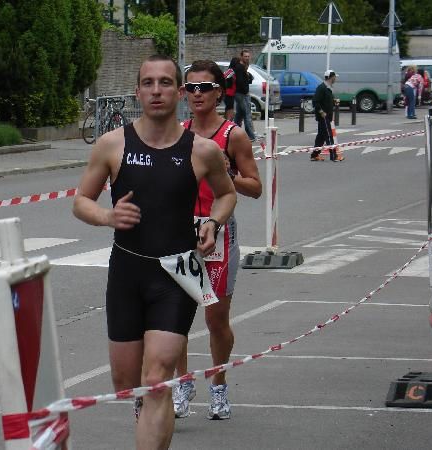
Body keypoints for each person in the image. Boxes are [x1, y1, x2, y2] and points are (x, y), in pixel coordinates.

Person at [72, 54, 237, 450]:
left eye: (165, 82)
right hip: (127, 272)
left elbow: (227, 194)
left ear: (179, 93)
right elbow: (81, 201)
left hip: (177, 273)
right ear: (138, 91)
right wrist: (108, 216)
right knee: (127, 383)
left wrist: (212, 223)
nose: (157, 90)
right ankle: (149, 416)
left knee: (158, 376)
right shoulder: (113, 144)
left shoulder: (202, 150)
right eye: (149, 82)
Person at [172, 60, 262, 420]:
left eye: (204, 88)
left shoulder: (232, 135)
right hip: (178, 232)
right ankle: (182, 384)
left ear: (218, 91)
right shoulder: (176, 132)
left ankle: (219, 384)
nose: (196, 95)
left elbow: (254, 186)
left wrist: (226, 173)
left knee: (216, 319)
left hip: (219, 230)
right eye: (190, 88)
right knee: (174, 318)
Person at [310, 69, 344, 162]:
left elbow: (325, 101)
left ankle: (314, 155)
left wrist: (334, 101)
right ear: (331, 77)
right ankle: (334, 156)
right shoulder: (321, 88)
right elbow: (315, 101)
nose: (335, 79)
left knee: (321, 137)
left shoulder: (328, 88)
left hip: (327, 116)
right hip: (323, 117)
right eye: (334, 77)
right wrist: (321, 112)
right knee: (329, 136)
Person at [233, 49, 256, 141]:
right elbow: (240, 81)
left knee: (239, 115)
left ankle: (235, 134)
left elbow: (245, 79)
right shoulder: (240, 67)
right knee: (247, 114)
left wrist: (248, 77)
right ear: (241, 57)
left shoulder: (244, 66)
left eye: (248, 56)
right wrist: (245, 91)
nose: (247, 58)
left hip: (240, 93)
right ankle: (251, 136)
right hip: (242, 94)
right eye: (245, 56)